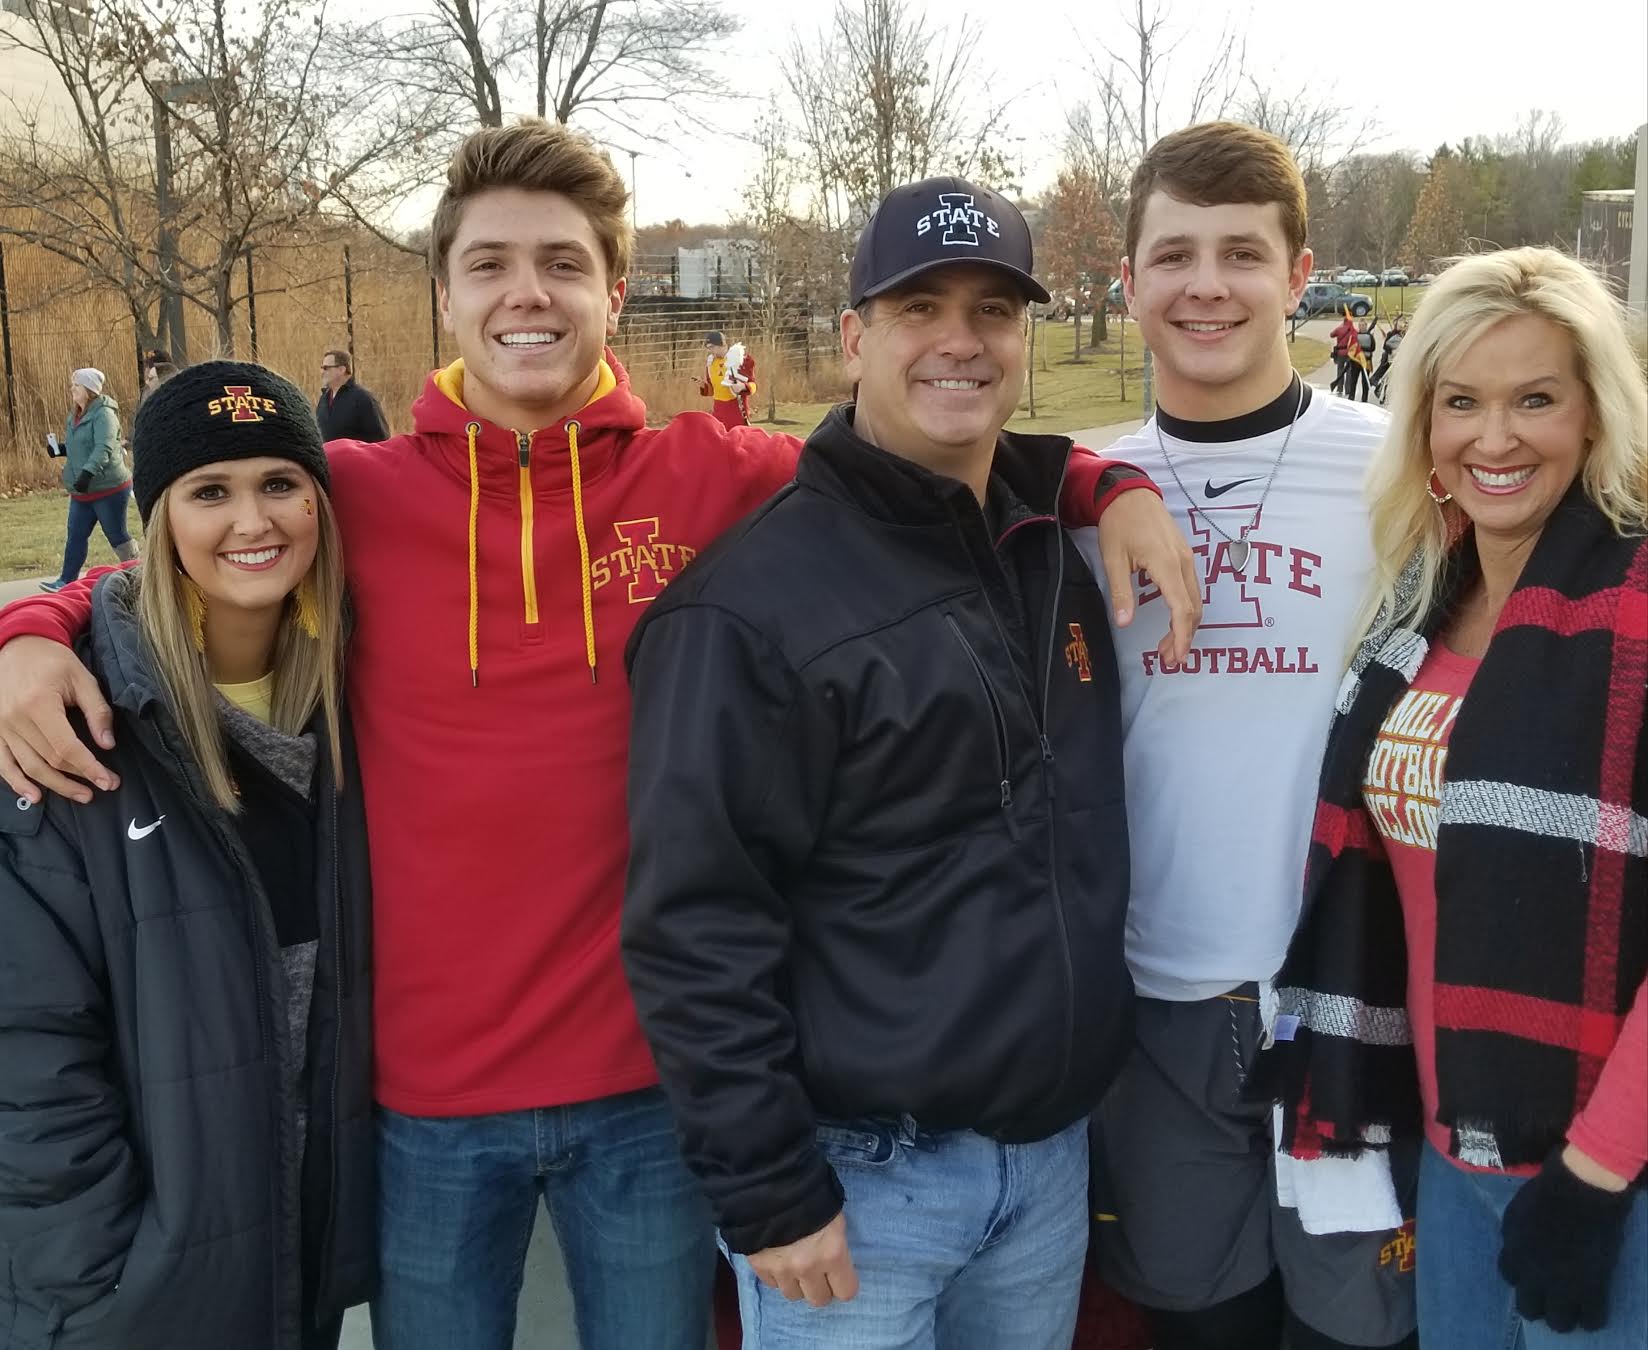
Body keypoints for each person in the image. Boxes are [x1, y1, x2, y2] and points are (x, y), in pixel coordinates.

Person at [0, 119, 1197, 1350]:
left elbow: (930, 451)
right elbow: (186, 564)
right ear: (446, 295)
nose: (530, 294)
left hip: (648, 1097)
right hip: (426, 1099)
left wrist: (1105, 485)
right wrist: (32, 628)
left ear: (613, 292)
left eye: (564, 264)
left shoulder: (720, 476)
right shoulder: (358, 494)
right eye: (492, 264)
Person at [624, 174, 1160, 1349]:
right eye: (920, 308)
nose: (959, 342)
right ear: (857, 337)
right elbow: (694, 923)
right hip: (860, 1185)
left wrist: (1108, 483)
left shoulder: (1044, 547)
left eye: (992, 311)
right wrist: (769, 1188)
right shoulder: (747, 608)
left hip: (1047, 1162)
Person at [1257, 247, 1647, 1348]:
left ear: (1593, 413)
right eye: (1460, 402)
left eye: (1535, 399)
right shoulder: (1422, 607)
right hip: (1452, 1143)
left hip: (1604, 1167)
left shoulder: (1633, 612)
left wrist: (1598, 1169)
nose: (1494, 438)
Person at [1080, 121, 1417, 1350]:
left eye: (1240, 253)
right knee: (1197, 1327)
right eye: (1172, 255)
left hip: (1349, 993)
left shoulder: (1395, 471)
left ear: (1299, 272)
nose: (1205, 284)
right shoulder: (1080, 487)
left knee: (1358, 1332)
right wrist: (1090, 485)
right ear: (1128, 284)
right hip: (1157, 996)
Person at [0, 360, 374, 1349]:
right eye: (210, 492)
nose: (253, 521)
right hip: (144, 1287)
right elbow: (30, 1054)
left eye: (279, 484)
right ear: (161, 515)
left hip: (303, 1252)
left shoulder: (360, 693)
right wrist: (96, 1283)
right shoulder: (70, 722)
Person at [41, 367, 138, 593]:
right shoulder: (75, 414)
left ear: (89, 390)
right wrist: (61, 449)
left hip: (109, 488)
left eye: (76, 385)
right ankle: (66, 581)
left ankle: (138, 571)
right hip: (82, 491)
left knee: (117, 535)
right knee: (75, 535)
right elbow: (80, 446)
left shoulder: (104, 414)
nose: (72, 389)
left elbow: (103, 447)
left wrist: (88, 473)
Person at [315, 350, 391, 443]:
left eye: (326, 368)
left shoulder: (363, 398)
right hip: (327, 457)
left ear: (341, 369)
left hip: (354, 457)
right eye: (322, 368)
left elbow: (380, 439)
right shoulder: (324, 399)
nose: (322, 372)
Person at [697, 329, 756, 428]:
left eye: (712, 347)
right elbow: (713, 391)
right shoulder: (711, 363)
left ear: (723, 345)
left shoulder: (740, 360)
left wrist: (743, 386)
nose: (710, 351)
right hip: (718, 412)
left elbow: (753, 385)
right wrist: (703, 386)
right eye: (708, 348)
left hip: (736, 412)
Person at [1371, 317, 1404, 403]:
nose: (1400, 327)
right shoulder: (1391, 334)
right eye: (1398, 325)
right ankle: (1382, 395)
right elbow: (1385, 346)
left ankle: (1391, 397)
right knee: (1387, 378)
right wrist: (1392, 351)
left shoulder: (1404, 335)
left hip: (1399, 360)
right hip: (1390, 360)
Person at [1330, 310, 1359, 394]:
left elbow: (1331, 334)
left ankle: (1339, 388)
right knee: (1349, 371)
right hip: (1349, 353)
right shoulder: (1354, 330)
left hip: (1340, 353)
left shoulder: (1339, 329)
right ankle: (1348, 389)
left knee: (1340, 370)